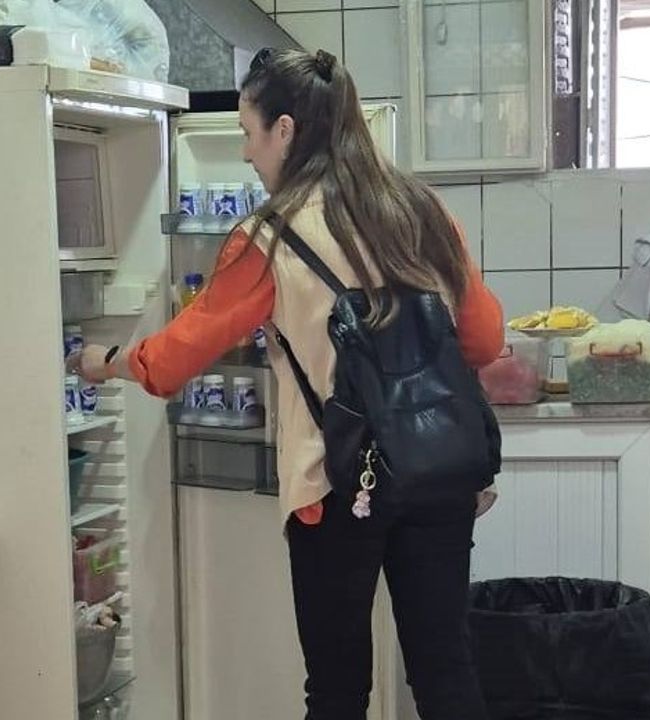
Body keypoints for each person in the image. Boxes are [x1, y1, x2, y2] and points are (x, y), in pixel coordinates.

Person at [71, 47, 504, 720]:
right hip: (439, 472)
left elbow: (171, 362)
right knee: (446, 670)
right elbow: (484, 341)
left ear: (285, 131)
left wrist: (106, 360)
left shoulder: (269, 237)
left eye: (248, 133)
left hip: (335, 483)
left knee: (336, 690)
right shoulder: (423, 212)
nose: (246, 152)